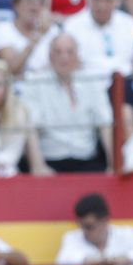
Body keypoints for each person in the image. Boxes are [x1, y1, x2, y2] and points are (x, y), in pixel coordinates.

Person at [20, 32, 114, 173]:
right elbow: (30, 128)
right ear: (50, 56)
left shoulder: (92, 81)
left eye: (69, 52)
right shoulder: (34, 82)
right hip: (51, 159)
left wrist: (113, 165)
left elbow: (105, 124)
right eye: (58, 52)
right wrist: (38, 166)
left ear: (77, 56)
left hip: (87, 159)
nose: (64, 57)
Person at [54, 191, 133, 264]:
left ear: (105, 220)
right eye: (81, 226)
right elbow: (62, 260)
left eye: (90, 226)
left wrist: (127, 258)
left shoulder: (126, 234)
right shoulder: (72, 237)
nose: (85, 231)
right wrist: (88, 260)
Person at [63, 0, 133, 80]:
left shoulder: (131, 25)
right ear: (88, 0)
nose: (102, 6)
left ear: (117, 2)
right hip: (86, 84)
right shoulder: (72, 26)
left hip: (125, 84)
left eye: (107, 0)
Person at [0, 0, 60, 78]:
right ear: (16, 4)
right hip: (17, 89)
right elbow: (12, 69)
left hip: (47, 86)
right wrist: (38, 36)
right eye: (30, 1)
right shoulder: (3, 30)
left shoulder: (52, 30)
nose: (35, 7)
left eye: (39, 2)